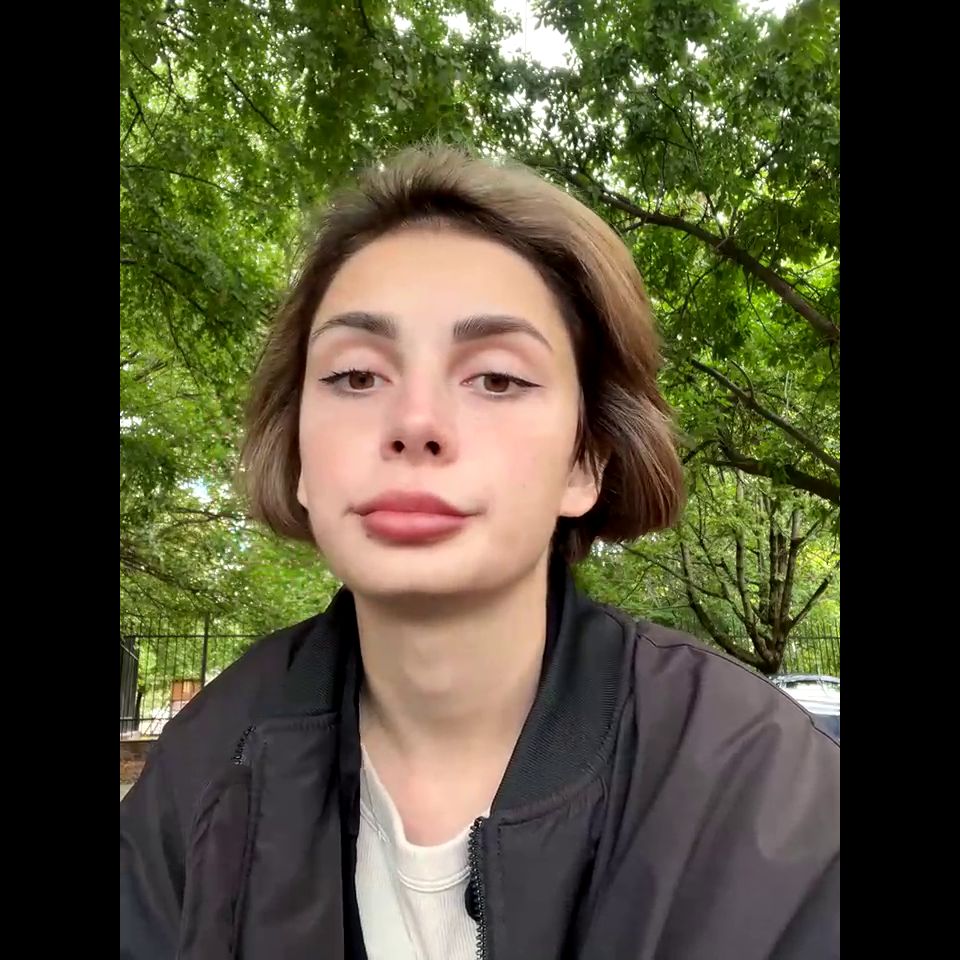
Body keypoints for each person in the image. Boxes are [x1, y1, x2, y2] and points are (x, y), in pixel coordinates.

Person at [120, 144, 839, 960]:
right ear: (300, 458)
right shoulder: (202, 775)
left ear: (584, 464)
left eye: (496, 378)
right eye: (356, 376)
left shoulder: (766, 799)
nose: (414, 422)